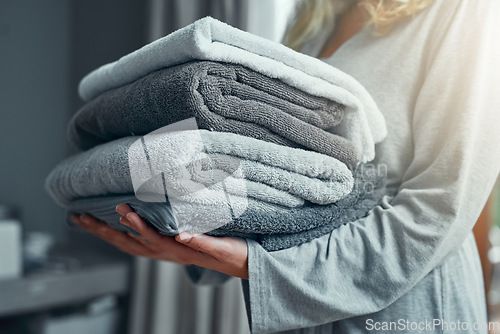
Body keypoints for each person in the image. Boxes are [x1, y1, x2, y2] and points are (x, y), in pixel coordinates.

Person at [72, 0, 500, 332]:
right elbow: (269, 175)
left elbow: (440, 207)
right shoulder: (314, 21)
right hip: (303, 315)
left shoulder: (463, 12)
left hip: (408, 308)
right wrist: (180, 231)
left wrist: (254, 266)